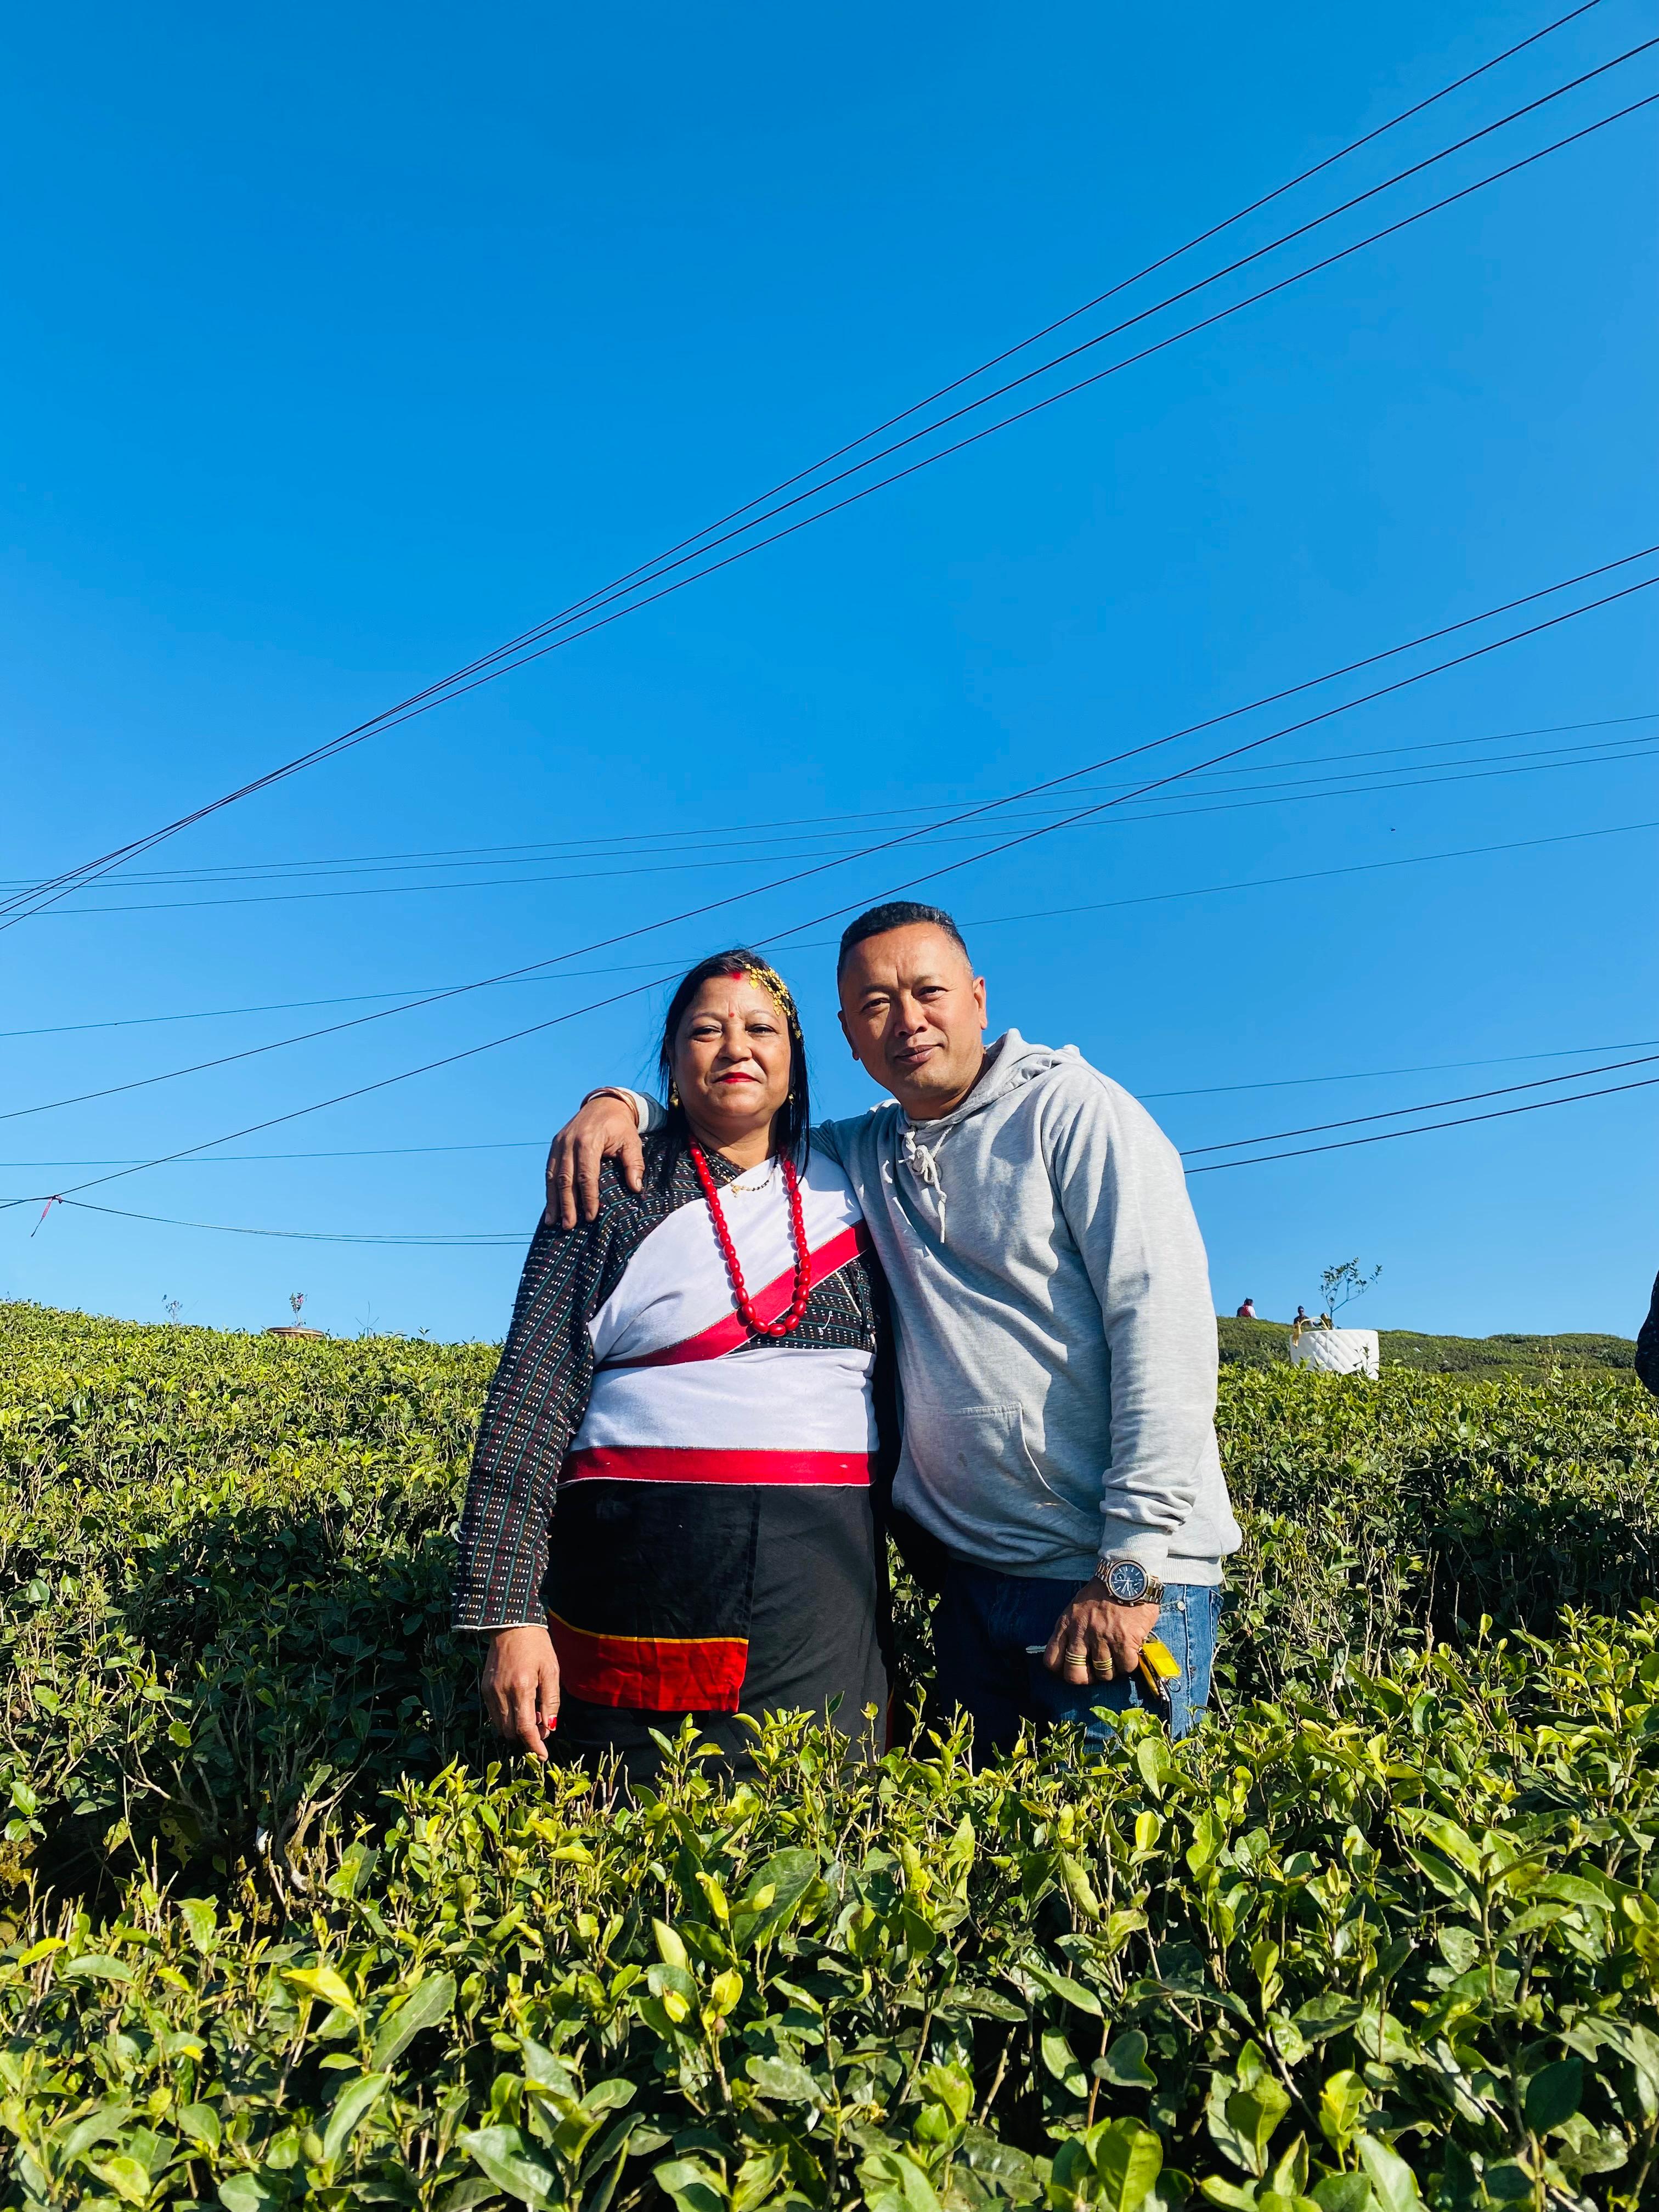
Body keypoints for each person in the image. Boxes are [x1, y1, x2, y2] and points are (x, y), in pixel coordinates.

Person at [548, 901, 1241, 1748]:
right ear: (844, 1036)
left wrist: (1129, 1571)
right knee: (980, 1865)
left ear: (978, 999)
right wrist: (622, 1104)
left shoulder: (1077, 1113)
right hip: (975, 1585)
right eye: (876, 1005)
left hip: (1107, 1585)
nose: (907, 1021)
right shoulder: (865, 1152)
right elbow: (744, 1112)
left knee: (1110, 1862)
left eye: (928, 991)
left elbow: (1163, 1333)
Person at [454, 950, 894, 1781]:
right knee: (631, 1848)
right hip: (638, 1586)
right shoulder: (610, 1183)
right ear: (670, 1061)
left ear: (796, 1060)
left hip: (824, 1601)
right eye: (706, 1030)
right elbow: (531, 1395)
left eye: (762, 1029)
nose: (736, 1049)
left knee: (820, 1833)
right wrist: (508, 1614)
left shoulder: (853, 1187)